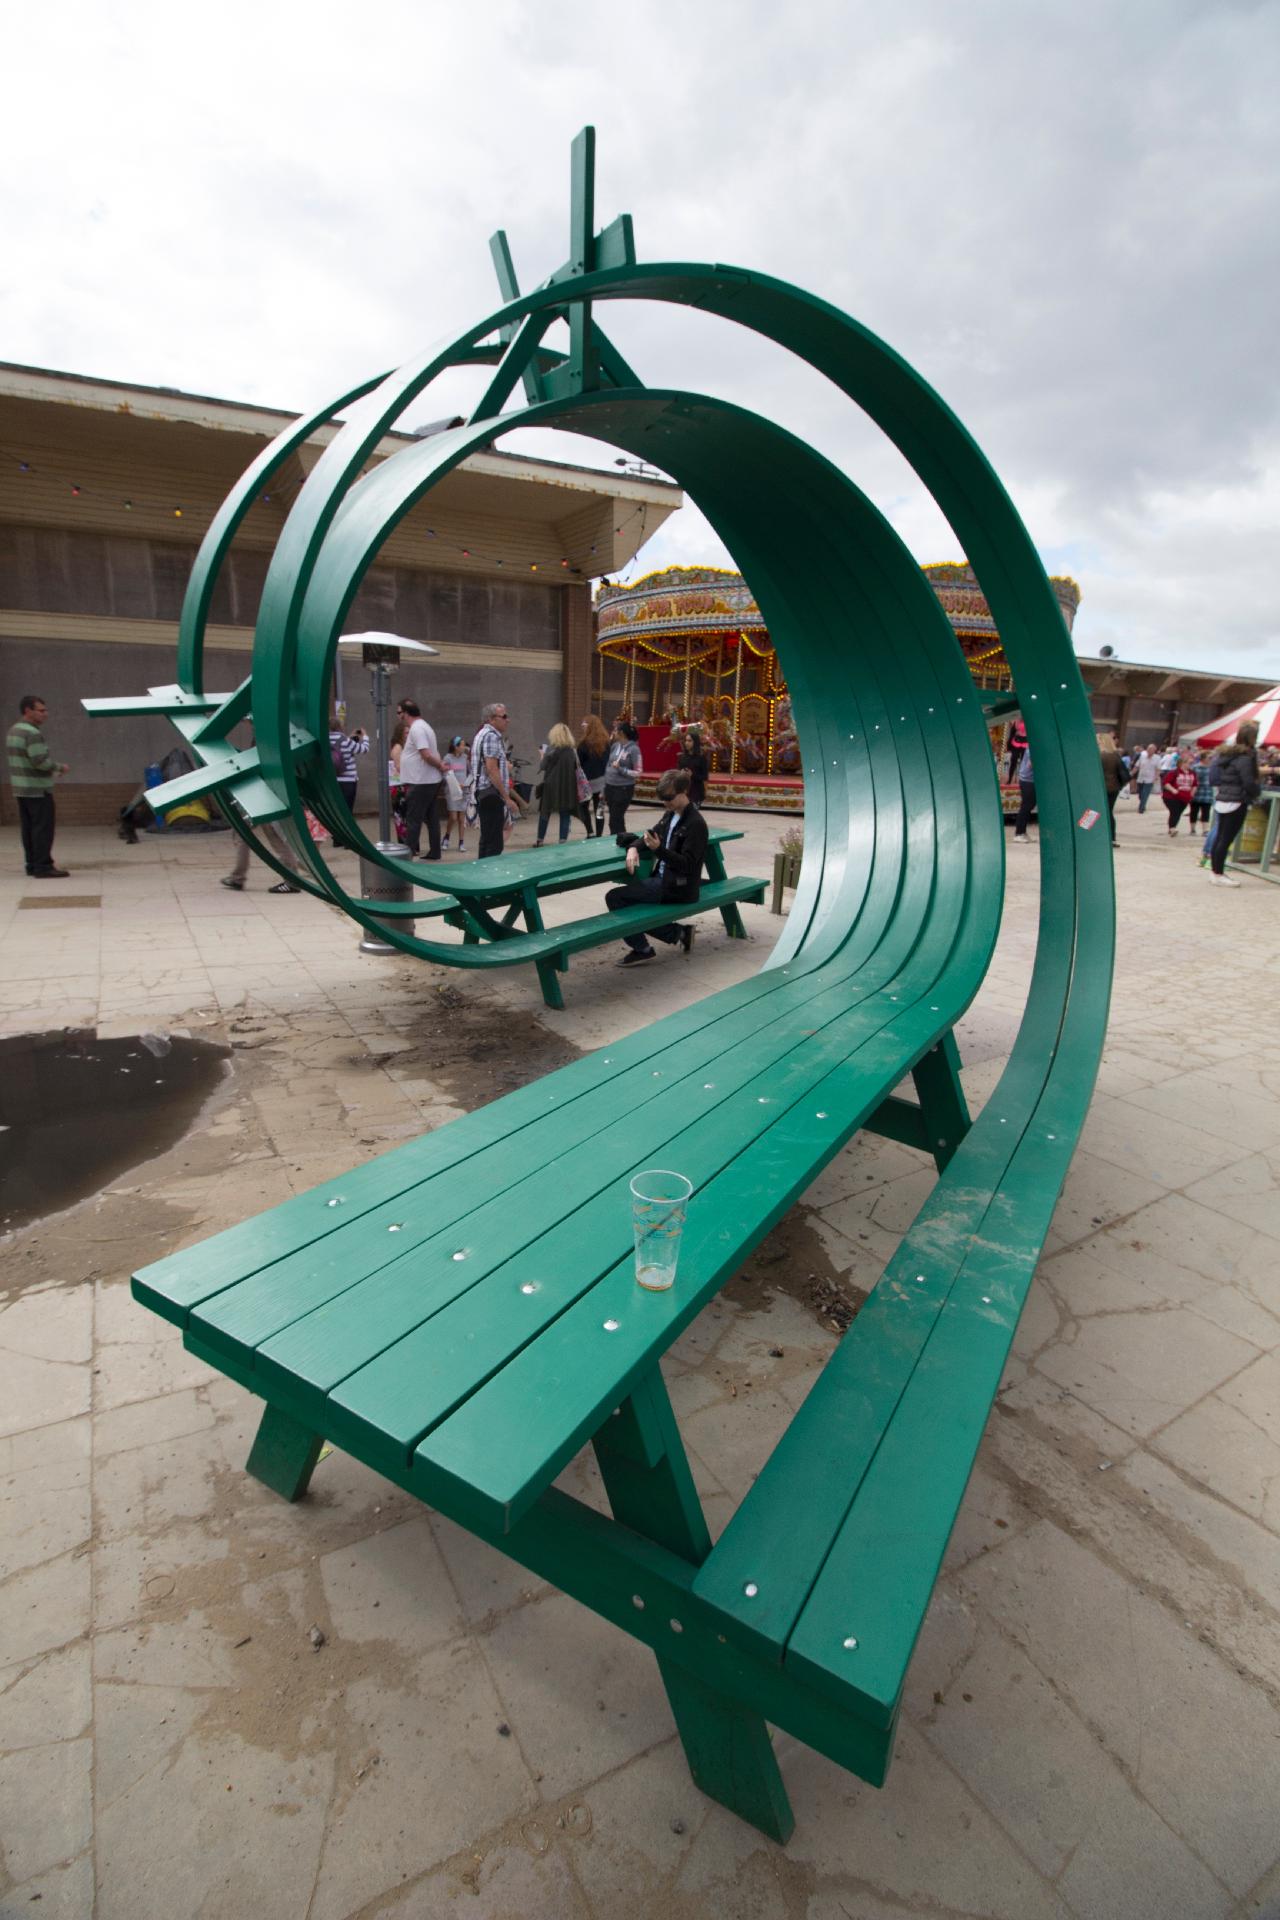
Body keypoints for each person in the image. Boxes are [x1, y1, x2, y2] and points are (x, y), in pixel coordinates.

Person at [606, 767, 706, 967]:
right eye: (662, 798)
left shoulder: (695, 824)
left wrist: (659, 850)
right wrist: (633, 848)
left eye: (669, 797)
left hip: (678, 886)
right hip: (664, 881)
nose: (665, 802)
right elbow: (651, 834)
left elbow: (687, 865)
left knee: (615, 898)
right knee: (629, 902)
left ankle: (643, 949)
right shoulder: (672, 813)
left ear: (684, 791)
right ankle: (679, 933)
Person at [7, 694, 69, 878]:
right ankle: (43, 866)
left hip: (21, 788)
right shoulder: (32, 733)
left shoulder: (14, 730)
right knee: (43, 828)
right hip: (37, 789)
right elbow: (40, 761)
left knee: (28, 828)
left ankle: (32, 864)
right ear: (28, 711)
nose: (45, 714)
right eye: (41, 710)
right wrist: (59, 767)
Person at [1207, 720, 1261, 887]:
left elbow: (1214, 777)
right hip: (1237, 800)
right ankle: (1218, 873)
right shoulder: (1245, 758)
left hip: (1224, 798)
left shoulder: (1226, 755)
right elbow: (1248, 782)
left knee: (1220, 837)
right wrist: (1256, 791)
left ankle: (1216, 871)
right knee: (1225, 839)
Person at [397, 698, 447, 860]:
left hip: (420, 781)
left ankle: (408, 853)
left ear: (406, 713)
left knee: (413, 819)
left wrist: (439, 765)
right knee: (431, 817)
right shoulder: (424, 726)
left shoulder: (417, 729)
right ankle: (434, 851)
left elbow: (425, 754)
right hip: (427, 780)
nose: (398, 717)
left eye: (399, 713)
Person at [470, 701, 521, 859]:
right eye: (504, 716)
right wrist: (507, 798)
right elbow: (491, 770)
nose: (508, 720)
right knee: (494, 843)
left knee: (487, 840)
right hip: (491, 795)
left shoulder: (482, 735)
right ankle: (489, 878)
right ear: (492, 719)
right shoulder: (491, 737)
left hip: (484, 793)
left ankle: (482, 875)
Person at [221, 819, 303, 893]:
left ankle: (237, 878)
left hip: (257, 806)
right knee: (276, 839)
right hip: (267, 807)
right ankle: (292, 880)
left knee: (241, 833)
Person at [535, 724, 582, 845]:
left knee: (545, 811)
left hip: (551, 787)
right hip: (568, 786)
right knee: (565, 813)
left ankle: (540, 839)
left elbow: (543, 766)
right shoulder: (572, 752)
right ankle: (562, 840)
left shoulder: (551, 751)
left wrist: (541, 755)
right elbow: (576, 767)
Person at [604, 720, 643, 834]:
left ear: (622, 733)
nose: (613, 732)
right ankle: (619, 840)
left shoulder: (634, 749)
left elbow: (638, 772)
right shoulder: (615, 746)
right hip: (610, 786)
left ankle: (621, 840)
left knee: (615, 819)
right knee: (614, 819)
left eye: (616, 730)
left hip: (624, 789)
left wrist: (621, 769)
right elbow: (608, 764)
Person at [576, 714, 610, 836]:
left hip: (587, 782)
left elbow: (579, 763)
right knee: (599, 809)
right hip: (603, 781)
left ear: (589, 727)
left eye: (584, 725)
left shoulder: (583, 744)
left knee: (582, 806)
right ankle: (599, 835)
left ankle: (590, 831)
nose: (582, 727)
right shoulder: (606, 742)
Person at [328, 715, 368, 813]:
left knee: (337, 811)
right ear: (340, 726)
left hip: (332, 780)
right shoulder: (345, 740)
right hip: (348, 781)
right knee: (347, 811)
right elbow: (364, 749)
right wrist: (365, 737)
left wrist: (350, 737)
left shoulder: (326, 739)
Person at [441, 735, 470, 852]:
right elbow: (444, 773)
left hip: (464, 791)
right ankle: (446, 837)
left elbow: (470, 772)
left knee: (462, 818)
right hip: (452, 791)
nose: (464, 747)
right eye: (462, 745)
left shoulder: (465, 758)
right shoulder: (448, 758)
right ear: (455, 746)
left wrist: (466, 783)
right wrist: (455, 783)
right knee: (453, 817)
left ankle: (461, 842)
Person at [1097, 732, 1124, 847]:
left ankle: (1086, 834)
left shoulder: (1100, 756)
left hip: (1100, 788)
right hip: (1114, 788)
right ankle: (1112, 838)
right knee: (1108, 813)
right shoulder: (1116, 755)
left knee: (1092, 812)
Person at [1161, 753, 1197, 837]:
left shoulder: (1192, 773)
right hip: (1171, 796)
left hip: (1185, 797)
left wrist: (1192, 793)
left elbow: (1195, 784)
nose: (1190, 765)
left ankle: (1171, 828)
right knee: (1175, 811)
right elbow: (1166, 783)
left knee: (1178, 813)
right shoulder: (1174, 772)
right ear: (1182, 763)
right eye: (1189, 763)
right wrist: (1173, 790)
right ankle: (1172, 828)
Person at [678, 726, 710, 807]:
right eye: (686, 741)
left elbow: (705, 776)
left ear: (695, 742)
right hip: (683, 790)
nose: (687, 743)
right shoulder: (682, 757)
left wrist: (692, 775)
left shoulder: (701, 758)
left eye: (689, 741)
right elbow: (678, 771)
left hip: (696, 791)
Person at [1012, 748, 1036, 842]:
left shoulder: (1031, 746)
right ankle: (1019, 833)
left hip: (1027, 780)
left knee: (1029, 806)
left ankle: (1022, 832)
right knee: (1026, 807)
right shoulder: (1034, 748)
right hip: (1028, 781)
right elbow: (1031, 764)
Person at [1190, 751, 1214, 835]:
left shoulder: (1212, 768)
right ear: (1203, 758)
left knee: (1206, 812)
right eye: (1209, 758)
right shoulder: (1195, 767)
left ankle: (1205, 830)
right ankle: (1192, 829)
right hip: (1197, 792)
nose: (1211, 759)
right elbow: (1191, 779)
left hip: (1208, 792)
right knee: (1194, 811)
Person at [1133, 743, 1161, 813]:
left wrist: (1156, 777)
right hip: (1141, 778)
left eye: (1151, 749)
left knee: (1145, 794)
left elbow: (1158, 769)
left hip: (1149, 779)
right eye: (1148, 749)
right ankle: (1143, 804)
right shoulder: (1142, 756)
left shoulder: (1157, 758)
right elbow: (1137, 766)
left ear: (1154, 750)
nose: (1149, 750)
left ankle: (1141, 808)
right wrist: (1131, 773)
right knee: (1140, 794)